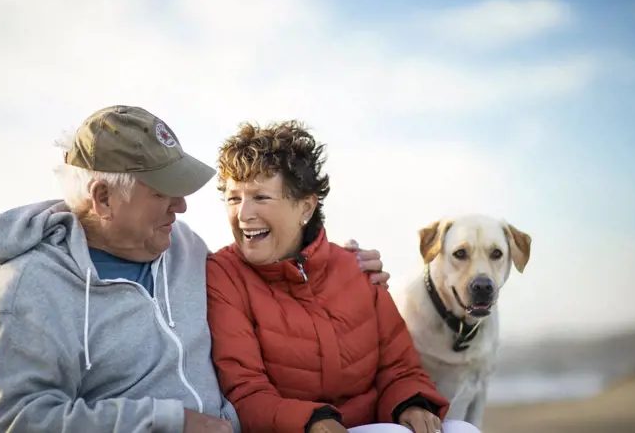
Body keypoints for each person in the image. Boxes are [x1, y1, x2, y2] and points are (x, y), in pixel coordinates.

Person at [0, 106, 390, 433]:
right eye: (163, 192)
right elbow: (18, 421)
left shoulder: (183, 246)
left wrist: (336, 264)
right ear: (103, 198)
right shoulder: (25, 292)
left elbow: (263, 270)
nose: (182, 205)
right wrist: (168, 423)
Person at [206, 121, 483, 433]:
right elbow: (245, 390)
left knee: (462, 430)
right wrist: (312, 423)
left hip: (371, 423)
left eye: (260, 197)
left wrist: (412, 403)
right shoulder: (224, 275)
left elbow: (400, 367)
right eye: (233, 198)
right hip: (295, 429)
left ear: (305, 206)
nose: (243, 214)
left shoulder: (357, 268)